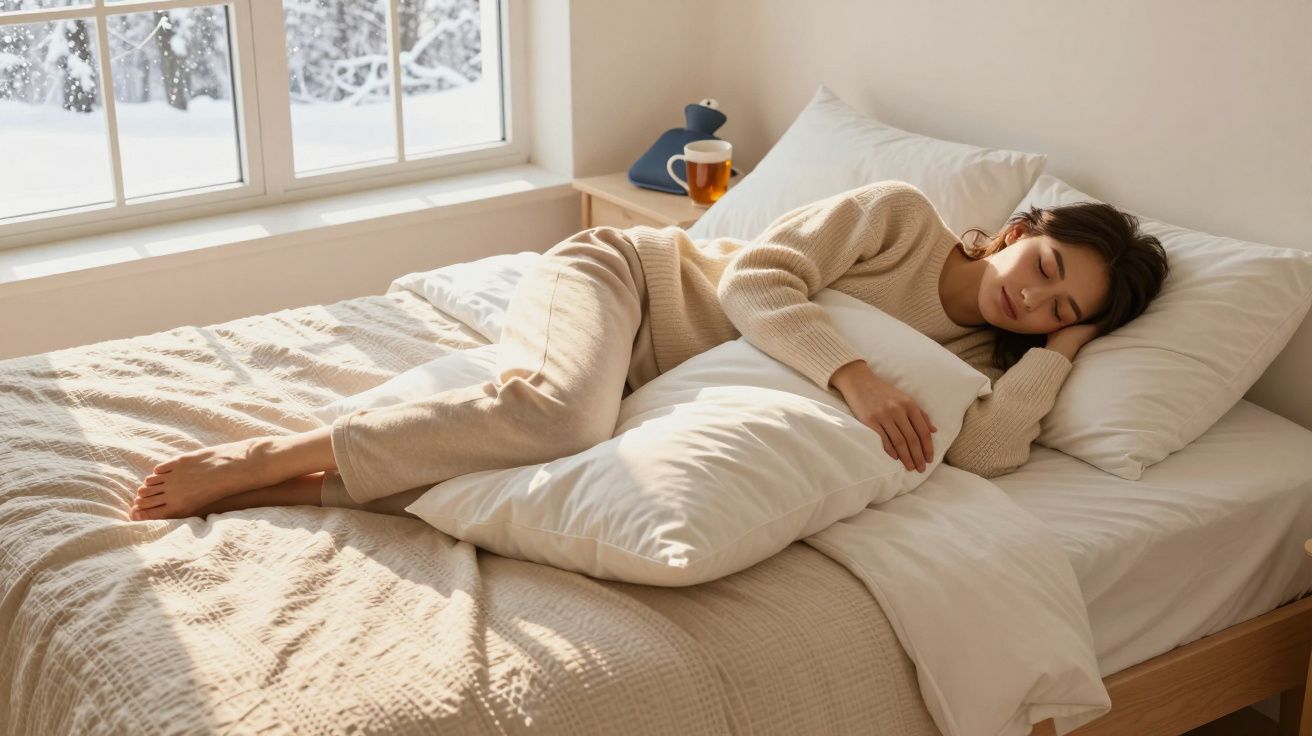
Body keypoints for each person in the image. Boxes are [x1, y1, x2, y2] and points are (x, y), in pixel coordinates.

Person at [127, 180, 1169, 522]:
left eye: (1058, 308)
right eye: (1044, 267)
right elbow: (756, 282)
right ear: (1015, 230)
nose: (1032, 298)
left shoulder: (978, 359)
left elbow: (987, 452)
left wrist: (1061, 353)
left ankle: (304, 493)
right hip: (625, 282)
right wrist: (852, 378)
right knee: (561, 420)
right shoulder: (898, 218)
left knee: (533, 476)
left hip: (657, 377)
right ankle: (271, 455)